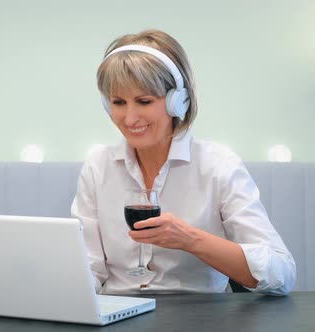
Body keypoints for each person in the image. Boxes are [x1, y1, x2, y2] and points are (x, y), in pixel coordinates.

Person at [71, 29, 296, 296]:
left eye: (144, 101)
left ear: (178, 101)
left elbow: (281, 273)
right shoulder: (98, 165)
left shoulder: (218, 165)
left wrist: (190, 239)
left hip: (200, 317)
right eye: (118, 102)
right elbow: (88, 269)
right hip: (118, 313)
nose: (129, 119)